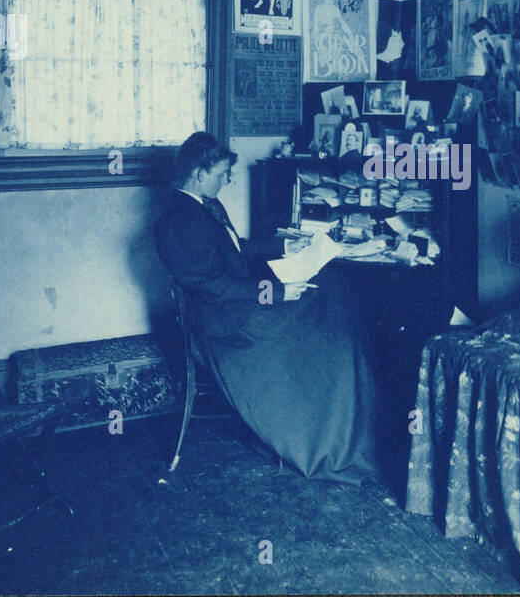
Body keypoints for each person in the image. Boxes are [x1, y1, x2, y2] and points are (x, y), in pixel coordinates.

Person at [154, 132, 381, 484]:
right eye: (221, 173)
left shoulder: (203, 205)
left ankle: (343, 426)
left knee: (332, 290)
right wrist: (274, 292)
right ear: (199, 173)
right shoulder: (178, 221)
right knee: (330, 318)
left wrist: (288, 246)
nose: (228, 179)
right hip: (225, 328)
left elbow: (235, 249)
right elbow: (211, 286)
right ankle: (327, 439)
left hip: (236, 309)